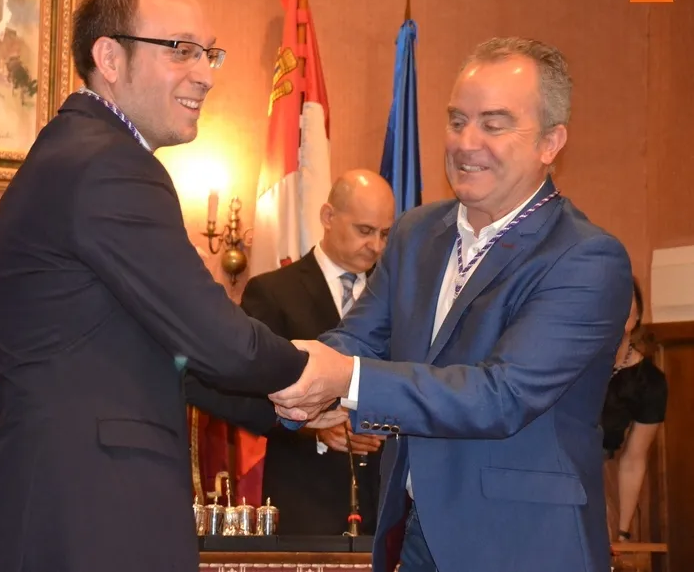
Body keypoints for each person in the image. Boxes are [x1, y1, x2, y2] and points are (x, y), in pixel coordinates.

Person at [0, 0, 346, 572]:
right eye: (181, 49)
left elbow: (170, 360)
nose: (206, 74)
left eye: (209, 53)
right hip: (84, 516)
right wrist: (318, 373)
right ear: (109, 57)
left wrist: (292, 411)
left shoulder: (77, 153)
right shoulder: (109, 165)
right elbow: (217, 341)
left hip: (52, 508)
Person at [272, 37, 634, 572]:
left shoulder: (585, 258)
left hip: (524, 546)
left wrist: (345, 379)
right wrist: (302, 379)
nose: (466, 143)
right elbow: (359, 337)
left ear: (551, 142)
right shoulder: (417, 233)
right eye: (457, 120)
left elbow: (501, 395)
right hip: (414, 536)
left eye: (494, 124)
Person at [240, 169, 393, 536]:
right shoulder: (272, 292)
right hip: (307, 497)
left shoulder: (397, 299)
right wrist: (313, 426)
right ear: (328, 217)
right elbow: (248, 394)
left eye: (385, 234)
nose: (376, 246)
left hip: (384, 502)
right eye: (365, 230)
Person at [601, 278, 667, 543]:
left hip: (600, 479)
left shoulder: (649, 382)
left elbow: (633, 460)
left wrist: (622, 531)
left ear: (638, 313)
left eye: (625, 297)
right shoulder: (568, 362)